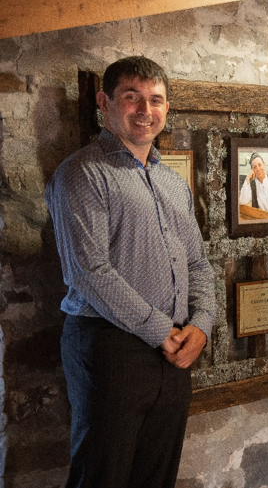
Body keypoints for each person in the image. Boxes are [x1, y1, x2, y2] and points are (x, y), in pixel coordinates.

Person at [45, 56, 216, 488]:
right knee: (102, 476)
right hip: (109, 347)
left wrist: (201, 324)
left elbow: (197, 262)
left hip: (174, 349)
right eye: (132, 97)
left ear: (167, 108)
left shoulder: (172, 182)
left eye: (155, 100)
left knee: (157, 476)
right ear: (104, 102)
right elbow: (88, 271)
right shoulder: (82, 174)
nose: (145, 110)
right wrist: (162, 330)